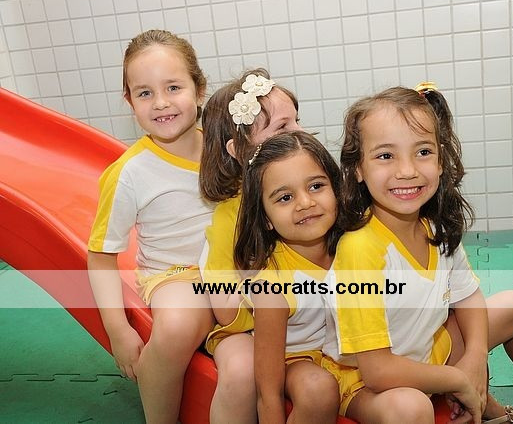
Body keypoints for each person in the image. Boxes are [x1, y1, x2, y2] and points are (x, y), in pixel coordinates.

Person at [323, 84, 513, 424]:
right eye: (386, 156)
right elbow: (377, 370)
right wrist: (458, 379)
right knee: (411, 408)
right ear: (358, 169)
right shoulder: (360, 249)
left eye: (423, 152)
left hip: (424, 350)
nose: (407, 170)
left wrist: (475, 358)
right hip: (363, 381)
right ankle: (475, 403)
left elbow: (468, 297)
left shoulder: (435, 227)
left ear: (440, 161)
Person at [87, 30, 214, 423]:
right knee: (176, 327)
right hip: (177, 275)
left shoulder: (227, 148)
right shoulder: (129, 173)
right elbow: (101, 256)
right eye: (144, 93)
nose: (161, 102)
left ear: (199, 89)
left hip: (236, 267)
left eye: (173, 87)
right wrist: (118, 330)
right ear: (130, 101)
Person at [198, 68, 302, 423]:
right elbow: (226, 311)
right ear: (239, 151)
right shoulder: (231, 218)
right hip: (246, 330)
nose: (299, 134)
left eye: (297, 121)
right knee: (242, 372)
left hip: (304, 325)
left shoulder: (310, 197)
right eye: (283, 128)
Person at [234, 131, 342, 423]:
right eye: (285, 197)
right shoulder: (272, 288)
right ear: (266, 218)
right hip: (297, 360)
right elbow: (267, 392)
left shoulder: (355, 247)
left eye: (316, 186)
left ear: (337, 188)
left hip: (349, 355)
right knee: (318, 389)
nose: (305, 203)